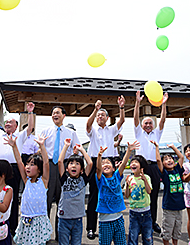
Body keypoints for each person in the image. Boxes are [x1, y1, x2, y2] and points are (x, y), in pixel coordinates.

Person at [0, 98, 35, 236]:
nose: (7, 124)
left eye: (10, 122)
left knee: (10, 198)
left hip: (13, 168)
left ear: (16, 126)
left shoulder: (20, 136)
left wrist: (30, 113)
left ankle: (11, 228)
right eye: (6, 122)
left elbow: (30, 128)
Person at [86, 95, 126, 240]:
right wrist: (94, 110)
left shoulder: (111, 130)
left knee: (112, 193)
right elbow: (88, 125)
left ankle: (113, 223)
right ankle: (91, 228)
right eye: (98, 115)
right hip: (96, 162)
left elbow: (122, 121)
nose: (100, 117)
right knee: (94, 196)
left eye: (103, 115)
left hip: (109, 162)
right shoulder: (93, 130)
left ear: (107, 118)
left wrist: (121, 107)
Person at [5, 133, 53, 245]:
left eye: (32, 164)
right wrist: (14, 146)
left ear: (39, 169)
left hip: (38, 220)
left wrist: (42, 146)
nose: (27, 167)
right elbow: (19, 162)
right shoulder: (26, 181)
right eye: (27, 164)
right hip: (25, 219)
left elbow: (46, 163)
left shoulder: (43, 181)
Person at [41, 105, 80, 241]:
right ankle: (43, 235)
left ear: (64, 115)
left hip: (64, 167)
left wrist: (75, 151)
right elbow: (41, 150)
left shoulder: (71, 132)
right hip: (49, 167)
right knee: (46, 201)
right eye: (53, 113)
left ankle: (60, 236)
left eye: (57, 113)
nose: (54, 115)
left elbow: (77, 148)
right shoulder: (45, 131)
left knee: (62, 201)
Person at [134, 90, 169, 233]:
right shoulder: (138, 132)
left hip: (154, 167)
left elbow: (163, 119)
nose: (148, 125)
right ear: (142, 125)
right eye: (146, 123)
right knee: (140, 194)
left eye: (150, 123)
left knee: (153, 196)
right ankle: (140, 224)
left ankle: (152, 222)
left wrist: (163, 104)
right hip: (141, 166)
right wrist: (137, 103)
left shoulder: (157, 132)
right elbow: (135, 118)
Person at [96, 140, 140, 245]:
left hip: (119, 218)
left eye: (108, 163)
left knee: (121, 243)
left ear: (113, 167)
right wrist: (99, 156)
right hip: (105, 220)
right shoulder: (101, 179)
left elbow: (124, 164)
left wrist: (129, 151)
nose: (105, 164)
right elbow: (98, 169)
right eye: (103, 164)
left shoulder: (117, 176)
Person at [57, 138, 93, 245]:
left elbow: (90, 163)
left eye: (77, 163)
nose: (74, 165)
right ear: (67, 168)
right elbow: (59, 162)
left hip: (78, 219)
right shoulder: (64, 179)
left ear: (81, 169)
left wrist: (82, 150)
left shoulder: (83, 180)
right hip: (64, 219)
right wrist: (66, 146)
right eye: (71, 163)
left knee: (76, 243)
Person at [151, 141, 185, 245]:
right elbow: (157, 160)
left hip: (179, 207)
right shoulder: (165, 173)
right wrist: (157, 147)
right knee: (167, 232)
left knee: (176, 231)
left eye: (170, 158)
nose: (169, 160)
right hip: (169, 208)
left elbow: (181, 157)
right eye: (166, 159)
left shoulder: (177, 170)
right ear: (163, 164)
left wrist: (173, 147)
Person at [125, 154, 153, 245]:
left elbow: (149, 191)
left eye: (136, 162)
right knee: (133, 237)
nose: (133, 164)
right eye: (132, 162)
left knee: (147, 237)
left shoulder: (147, 177)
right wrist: (127, 185)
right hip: (134, 213)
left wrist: (144, 180)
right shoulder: (130, 178)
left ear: (142, 166)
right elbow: (126, 195)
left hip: (146, 212)